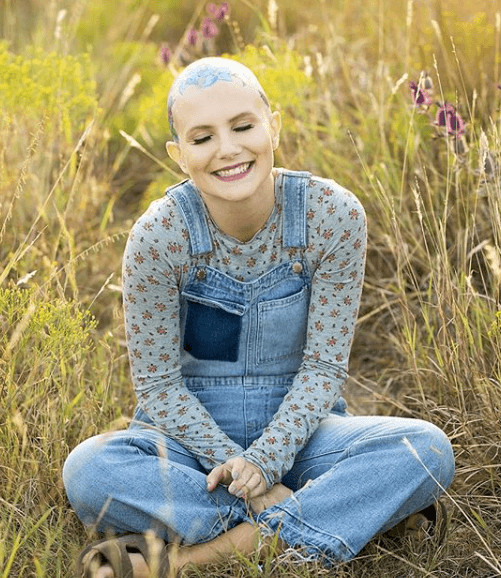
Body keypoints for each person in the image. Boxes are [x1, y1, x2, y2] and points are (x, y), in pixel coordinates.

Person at [63, 57, 455, 577]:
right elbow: (158, 387)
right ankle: (330, 516)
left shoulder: (332, 214)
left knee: (426, 449)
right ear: (179, 156)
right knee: (88, 469)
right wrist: (242, 474)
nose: (228, 149)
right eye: (202, 138)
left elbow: (323, 371)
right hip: (190, 444)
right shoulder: (157, 236)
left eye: (243, 126)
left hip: (305, 431)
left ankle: (190, 558)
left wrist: (266, 462)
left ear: (274, 125)